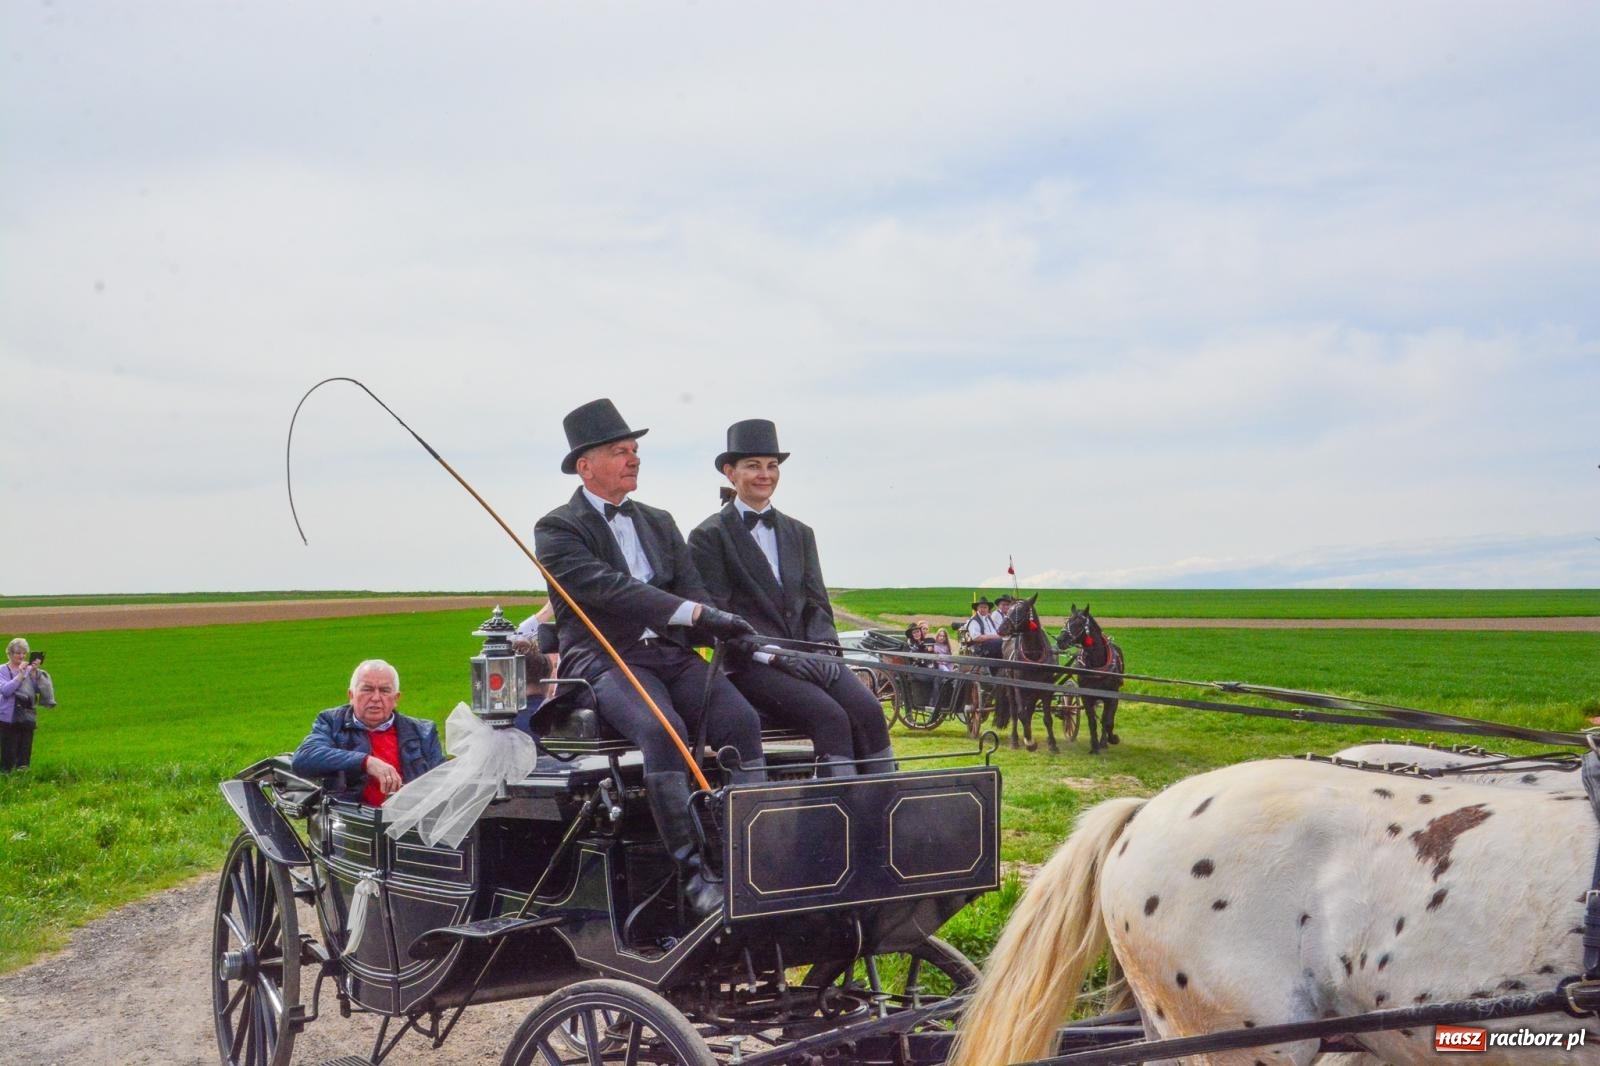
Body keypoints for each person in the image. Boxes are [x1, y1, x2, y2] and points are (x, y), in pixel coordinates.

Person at [534, 398, 765, 918]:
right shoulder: (556, 529)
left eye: (635, 450)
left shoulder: (660, 522)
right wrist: (698, 615)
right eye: (620, 451)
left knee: (741, 720)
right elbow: (609, 590)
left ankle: (749, 859)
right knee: (663, 730)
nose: (634, 459)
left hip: (669, 652)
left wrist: (726, 627)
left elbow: (694, 588)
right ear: (585, 465)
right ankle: (694, 875)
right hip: (605, 659)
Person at [689, 419, 895, 778]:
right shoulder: (708, 536)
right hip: (752, 664)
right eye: (753, 466)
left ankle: (882, 806)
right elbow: (719, 616)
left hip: (811, 655)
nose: (764, 474)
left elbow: (816, 601)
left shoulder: (800, 533)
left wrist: (826, 646)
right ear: (730, 472)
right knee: (828, 716)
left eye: (772, 466)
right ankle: (832, 817)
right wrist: (774, 655)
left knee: (869, 710)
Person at [292, 660, 445, 806]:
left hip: (410, 822)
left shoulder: (423, 732)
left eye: (385, 691)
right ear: (351, 695)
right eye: (367, 689)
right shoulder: (332, 722)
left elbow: (443, 783)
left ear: (396, 698)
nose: (376, 698)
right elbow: (303, 758)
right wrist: (366, 762)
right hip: (352, 822)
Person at [1, 637, 51, 772]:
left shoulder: (30, 670)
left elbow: (36, 690)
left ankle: (23, 778)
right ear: (10, 654)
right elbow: (6, 691)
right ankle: (7, 779)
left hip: (27, 716)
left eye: (24, 653)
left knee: (24, 751)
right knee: (8, 753)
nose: (21, 656)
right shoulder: (2, 670)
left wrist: (34, 673)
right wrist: (21, 675)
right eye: (18, 653)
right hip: (8, 718)